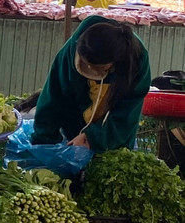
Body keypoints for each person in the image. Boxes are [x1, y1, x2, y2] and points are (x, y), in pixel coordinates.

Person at [33, 15, 150, 152]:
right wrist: (44, 142)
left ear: (114, 64)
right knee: (73, 161)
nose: (90, 71)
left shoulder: (137, 60)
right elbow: (53, 97)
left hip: (113, 133)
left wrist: (93, 138)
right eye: (86, 65)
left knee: (112, 162)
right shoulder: (71, 52)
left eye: (100, 69)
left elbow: (126, 115)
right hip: (76, 121)